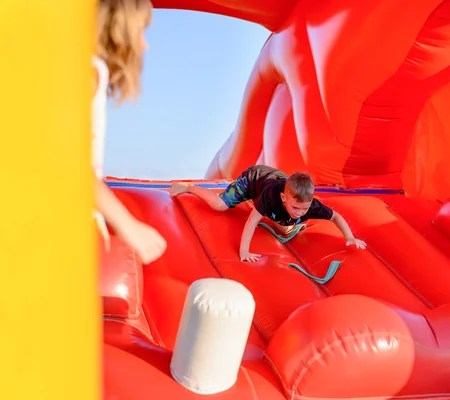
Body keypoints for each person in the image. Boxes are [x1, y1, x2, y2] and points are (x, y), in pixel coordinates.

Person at [92, 0, 166, 264]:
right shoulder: (89, 71)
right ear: (119, 28)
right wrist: (129, 226)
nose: (144, 44)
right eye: (141, 30)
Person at [170, 165, 367, 262]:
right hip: (252, 180)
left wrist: (349, 237)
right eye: (296, 208)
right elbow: (252, 220)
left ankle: (282, 218)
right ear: (283, 198)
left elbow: (335, 216)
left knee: (286, 228)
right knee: (220, 205)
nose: (300, 212)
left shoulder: (310, 205)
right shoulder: (271, 198)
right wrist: (244, 251)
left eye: (304, 209)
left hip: (277, 183)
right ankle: (188, 187)